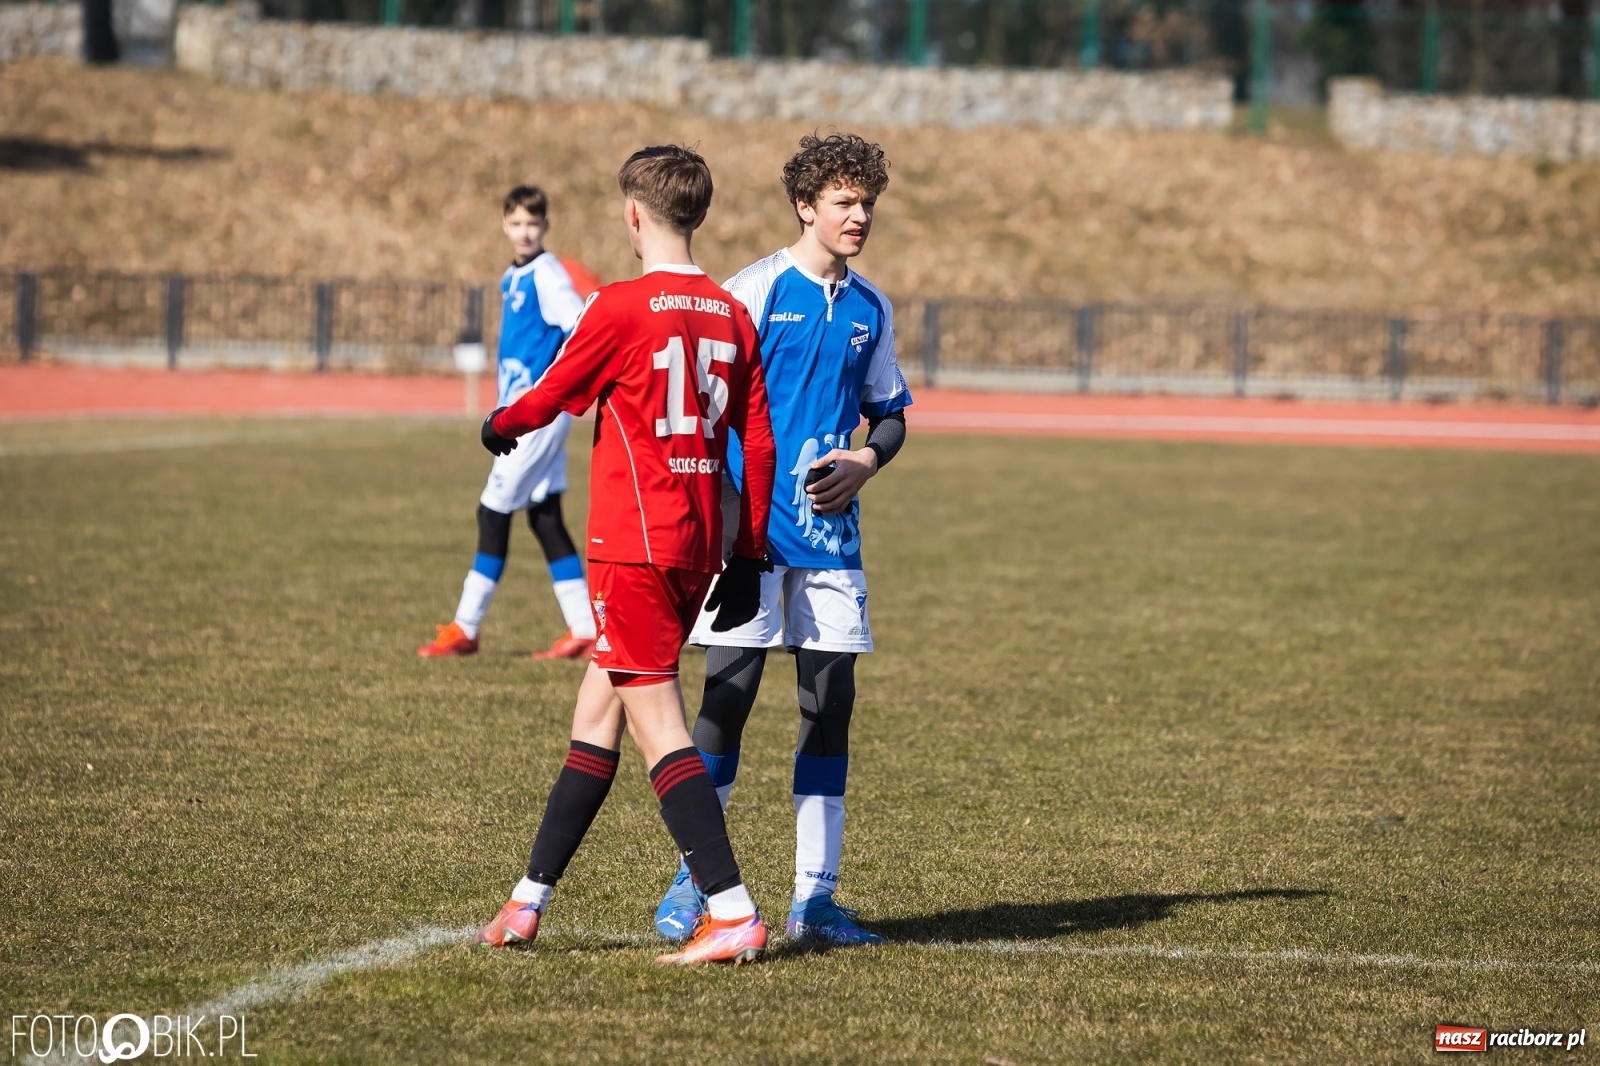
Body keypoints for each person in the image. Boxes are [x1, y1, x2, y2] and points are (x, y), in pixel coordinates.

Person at [476, 145, 779, 966]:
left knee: (657, 727)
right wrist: (747, 550)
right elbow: (755, 436)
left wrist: (502, 425)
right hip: (694, 548)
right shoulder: (728, 312)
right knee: (595, 717)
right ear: (699, 216)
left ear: (633, 215)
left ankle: (733, 910)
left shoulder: (619, 305)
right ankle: (526, 903)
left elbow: (551, 391)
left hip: (631, 547)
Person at [654, 132, 911, 947]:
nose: (859, 215)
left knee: (828, 707)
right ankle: (697, 885)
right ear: (806, 206)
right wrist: (727, 516)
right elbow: (707, 405)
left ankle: (815, 901)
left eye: (866, 202)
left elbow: (893, 413)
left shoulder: (872, 308)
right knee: (725, 704)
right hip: (751, 542)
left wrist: (867, 461)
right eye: (843, 202)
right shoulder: (754, 293)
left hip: (834, 544)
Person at [418, 185, 599, 661]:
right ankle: (584, 627)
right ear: (504, 224)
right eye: (517, 223)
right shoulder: (512, 276)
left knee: (491, 512)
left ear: (546, 227)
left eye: (533, 224)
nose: (525, 232)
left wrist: (550, 389)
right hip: (524, 410)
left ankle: (466, 627)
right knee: (545, 517)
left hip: (533, 416)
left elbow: (579, 326)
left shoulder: (546, 274)